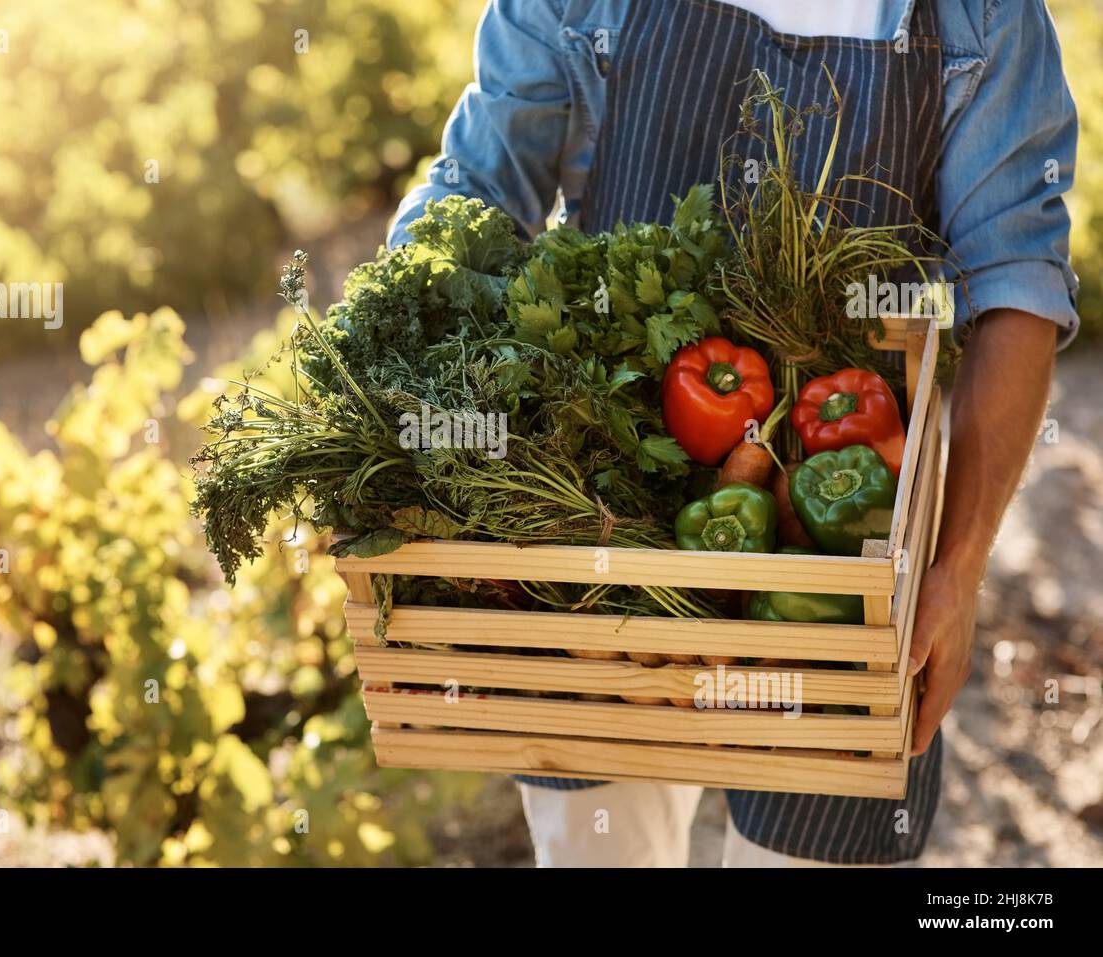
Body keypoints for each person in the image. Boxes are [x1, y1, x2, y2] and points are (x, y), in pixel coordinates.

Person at [386, 0, 1079, 867]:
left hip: (837, 550)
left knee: (814, 845)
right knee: (602, 845)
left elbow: (1016, 278)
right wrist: (387, 398)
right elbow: (479, 189)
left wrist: (960, 567)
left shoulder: (981, 15)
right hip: (597, 526)